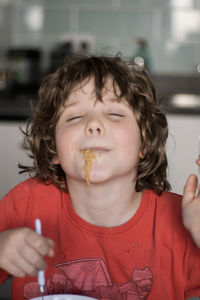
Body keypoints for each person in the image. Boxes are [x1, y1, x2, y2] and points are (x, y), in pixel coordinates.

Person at [0, 54, 200, 300]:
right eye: (74, 117)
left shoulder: (182, 220)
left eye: (115, 115)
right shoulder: (25, 203)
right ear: (54, 150)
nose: (94, 124)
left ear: (144, 143)